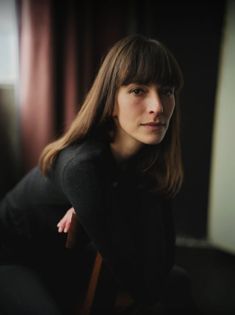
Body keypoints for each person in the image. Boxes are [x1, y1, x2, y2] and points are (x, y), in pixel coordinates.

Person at [0, 34, 200, 315]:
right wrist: (101, 205)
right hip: (14, 257)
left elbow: (162, 262)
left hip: (65, 256)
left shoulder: (146, 157)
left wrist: (101, 208)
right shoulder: (81, 166)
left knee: (178, 281)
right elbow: (139, 282)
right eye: (138, 91)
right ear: (110, 102)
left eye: (166, 90)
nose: (158, 106)